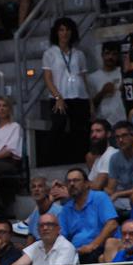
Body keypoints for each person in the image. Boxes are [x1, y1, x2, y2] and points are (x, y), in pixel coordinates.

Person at [42, 17, 90, 164]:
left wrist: (91, 100)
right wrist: (58, 97)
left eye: (68, 29)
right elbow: (48, 78)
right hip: (59, 96)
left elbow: (83, 77)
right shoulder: (50, 53)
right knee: (58, 127)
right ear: (56, 32)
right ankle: (55, 161)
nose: (65, 33)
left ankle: (80, 160)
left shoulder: (79, 54)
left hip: (79, 95)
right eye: (61, 30)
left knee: (80, 130)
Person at [58, 167, 118, 263]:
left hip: (99, 248)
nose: (72, 184)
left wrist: (93, 245)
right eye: (69, 182)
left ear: (87, 184)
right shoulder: (66, 209)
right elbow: (62, 237)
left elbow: (112, 224)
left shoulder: (100, 197)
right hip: (76, 253)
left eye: (76, 180)